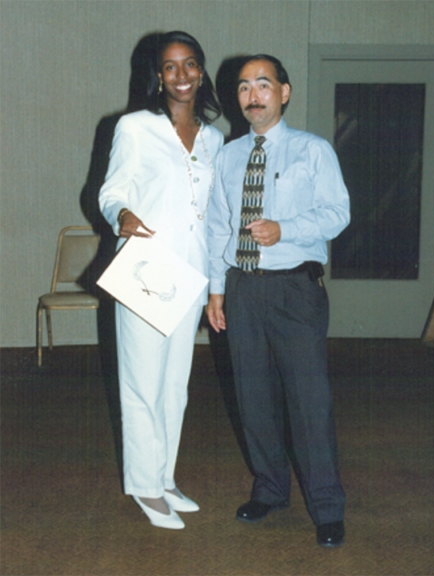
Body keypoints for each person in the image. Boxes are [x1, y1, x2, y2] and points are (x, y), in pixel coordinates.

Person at [206, 54, 350, 548]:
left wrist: (286, 229)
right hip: (242, 287)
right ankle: (270, 488)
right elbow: (216, 228)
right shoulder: (226, 157)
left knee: (309, 402)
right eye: (244, 87)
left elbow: (337, 214)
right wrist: (216, 290)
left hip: (294, 288)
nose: (253, 95)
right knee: (254, 397)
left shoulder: (313, 151)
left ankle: (327, 507)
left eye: (263, 85)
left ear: (283, 93)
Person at [98, 31, 224, 530]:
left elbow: (213, 214)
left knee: (176, 386)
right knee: (141, 385)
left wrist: (217, 281)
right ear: (156, 75)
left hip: (191, 274)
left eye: (190, 64)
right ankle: (145, 488)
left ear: (201, 70)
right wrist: (121, 214)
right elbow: (110, 191)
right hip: (147, 270)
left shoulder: (214, 137)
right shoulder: (134, 127)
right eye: (170, 67)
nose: (181, 76)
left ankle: (165, 477)